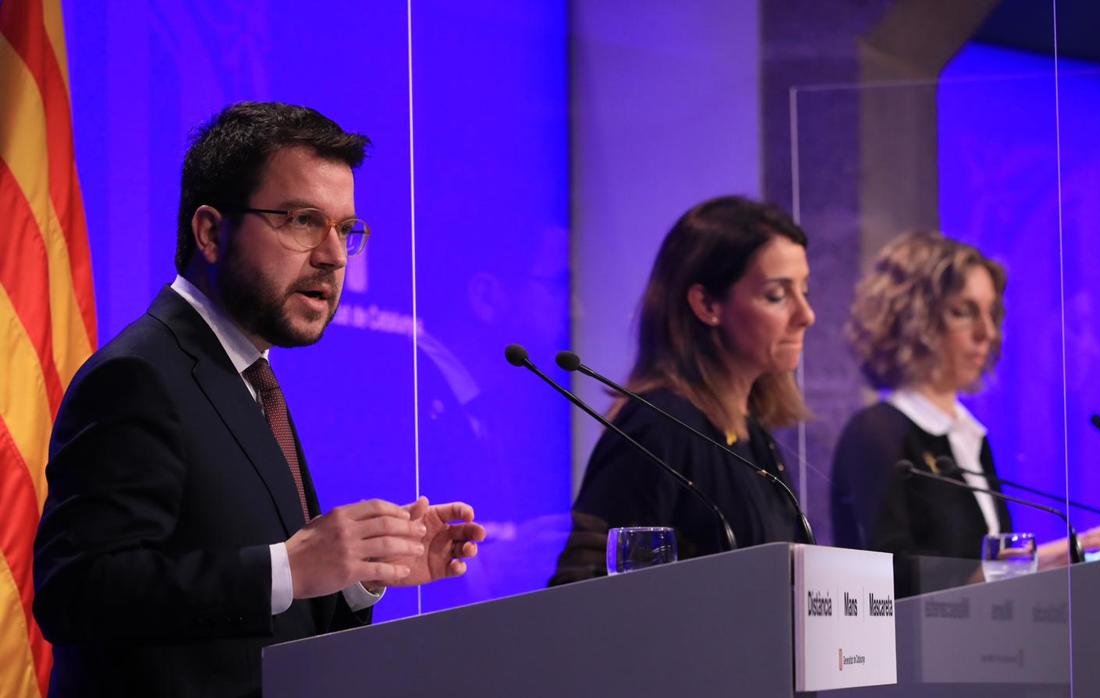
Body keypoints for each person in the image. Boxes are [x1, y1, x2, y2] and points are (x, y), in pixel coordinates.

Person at [33, 102, 487, 697]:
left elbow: (267, 612)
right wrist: (291, 566)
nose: (330, 255)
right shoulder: (137, 377)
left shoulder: (248, 374)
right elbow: (78, 592)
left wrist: (359, 572)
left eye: (345, 230)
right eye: (302, 220)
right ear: (211, 233)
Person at [831, 230, 1100, 594]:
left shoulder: (970, 437)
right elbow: (886, 578)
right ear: (911, 319)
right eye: (963, 313)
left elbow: (987, 582)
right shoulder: (875, 434)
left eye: (991, 313)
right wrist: (1035, 561)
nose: (986, 333)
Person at [550, 196, 815, 584]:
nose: (806, 315)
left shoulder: (751, 431)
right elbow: (584, 594)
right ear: (707, 304)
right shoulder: (658, 429)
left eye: (804, 290)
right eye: (777, 295)